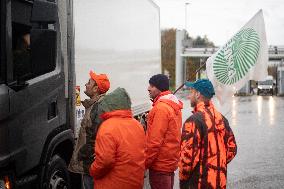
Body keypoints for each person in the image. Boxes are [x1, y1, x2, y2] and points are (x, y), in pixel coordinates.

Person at [179, 79, 237, 189]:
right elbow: (232, 148)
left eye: (191, 92)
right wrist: (218, 164)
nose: (189, 96)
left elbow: (187, 160)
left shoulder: (193, 121)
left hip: (198, 183)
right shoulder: (221, 118)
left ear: (198, 94)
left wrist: (183, 180)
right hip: (219, 182)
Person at [89, 87, 146, 189]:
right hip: (135, 183)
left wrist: (92, 170)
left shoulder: (107, 127)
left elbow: (105, 161)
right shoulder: (137, 125)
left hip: (112, 184)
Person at [68, 70, 110, 189]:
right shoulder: (95, 105)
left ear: (96, 89)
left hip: (91, 165)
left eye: (89, 82)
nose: (86, 85)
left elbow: (95, 138)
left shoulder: (98, 108)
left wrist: (83, 157)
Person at [145, 74, 183, 189]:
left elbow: (154, 142)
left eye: (152, 86)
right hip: (169, 162)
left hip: (160, 165)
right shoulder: (171, 105)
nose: (148, 88)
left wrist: (144, 164)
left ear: (159, 88)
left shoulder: (161, 108)